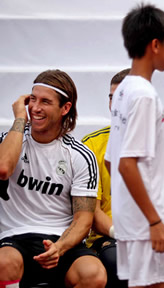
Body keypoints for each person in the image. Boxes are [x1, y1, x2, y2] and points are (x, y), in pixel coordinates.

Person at [82, 69, 164, 287]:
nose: (116, 105)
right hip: (112, 236)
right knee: (122, 264)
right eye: (112, 98)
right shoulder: (92, 145)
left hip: (159, 232)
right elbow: (91, 210)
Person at [0, 69, 107, 287]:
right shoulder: (10, 140)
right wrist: (21, 118)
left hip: (61, 240)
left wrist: (60, 247)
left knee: (93, 273)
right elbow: (3, 168)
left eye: (45, 102)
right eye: (32, 100)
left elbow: (83, 220)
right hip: (15, 238)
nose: (36, 108)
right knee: (5, 262)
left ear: (65, 108)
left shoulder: (80, 155)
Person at [104, 4, 164, 288]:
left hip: (134, 218)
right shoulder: (144, 95)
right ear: (155, 44)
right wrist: (153, 221)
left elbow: (111, 161)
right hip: (149, 220)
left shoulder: (124, 88)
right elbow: (125, 163)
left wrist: (130, 210)